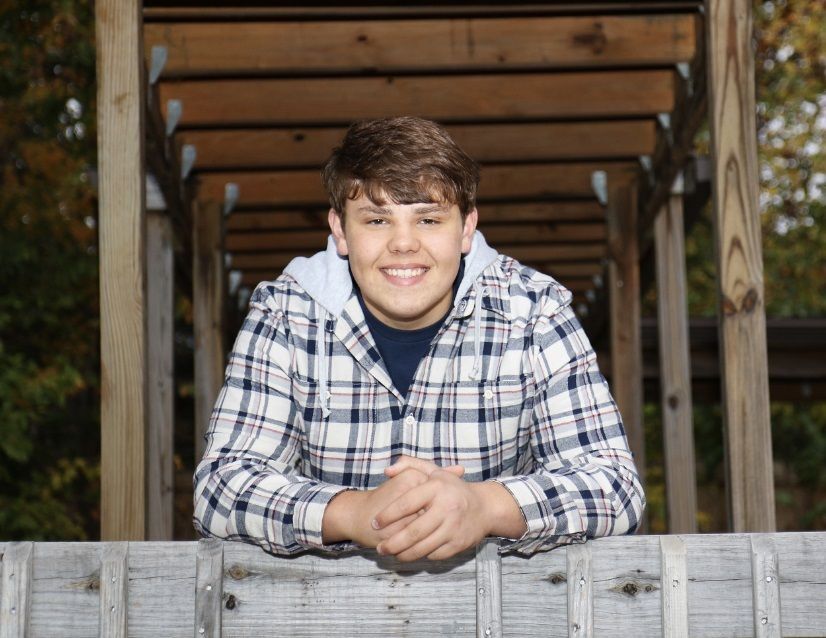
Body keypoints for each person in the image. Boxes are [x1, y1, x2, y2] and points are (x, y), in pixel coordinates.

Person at [193, 116, 644, 560]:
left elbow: (614, 485)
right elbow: (221, 486)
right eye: (376, 221)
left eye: (428, 220)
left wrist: (484, 507)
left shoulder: (535, 313)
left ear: (466, 228)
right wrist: (354, 514)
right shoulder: (285, 315)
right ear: (339, 231)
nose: (404, 244)